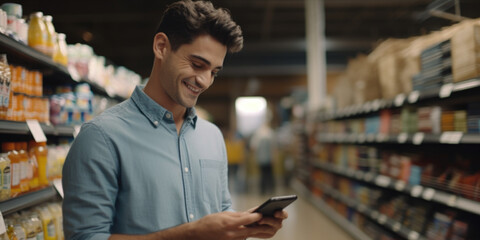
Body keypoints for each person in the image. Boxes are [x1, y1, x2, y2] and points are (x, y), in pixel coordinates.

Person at [62, 1, 288, 239]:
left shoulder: (211, 136)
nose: (204, 81)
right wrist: (191, 233)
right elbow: (86, 236)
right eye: (197, 64)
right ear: (161, 47)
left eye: (213, 72)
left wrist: (243, 224)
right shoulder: (101, 138)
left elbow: (220, 209)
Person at [250, 121, 276, 195]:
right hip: (269, 158)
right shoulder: (271, 133)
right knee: (269, 174)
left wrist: (254, 158)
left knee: (263, 174)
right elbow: (274, 148)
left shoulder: (257, 134)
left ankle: (263, 190)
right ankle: (270, 189)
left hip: (261, 158)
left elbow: (253, 147)